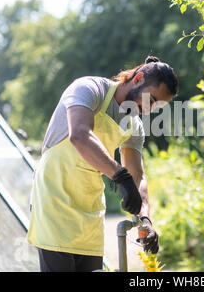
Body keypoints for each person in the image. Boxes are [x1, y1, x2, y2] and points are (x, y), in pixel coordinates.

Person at [26, 56, 178, 272]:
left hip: (89, 209)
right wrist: (119, 175)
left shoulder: (133, 125)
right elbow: (79, 135)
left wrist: (145, 219)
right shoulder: (89, 89)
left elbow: (138, 176)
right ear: (139, 78)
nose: (148, 110)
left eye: (155, 107)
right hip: (54, 198)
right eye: (150, 100)